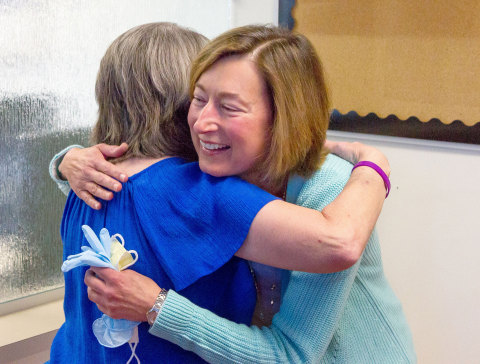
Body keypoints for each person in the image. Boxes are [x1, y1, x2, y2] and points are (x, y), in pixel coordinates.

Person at [48, 23, 394, 363]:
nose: (200, 122)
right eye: (198, 99)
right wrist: (66, 161)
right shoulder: (192, 175)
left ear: (282, 118)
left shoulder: (321, 187)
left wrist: (374, 167)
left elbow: (337, 246)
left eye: (229, 106)